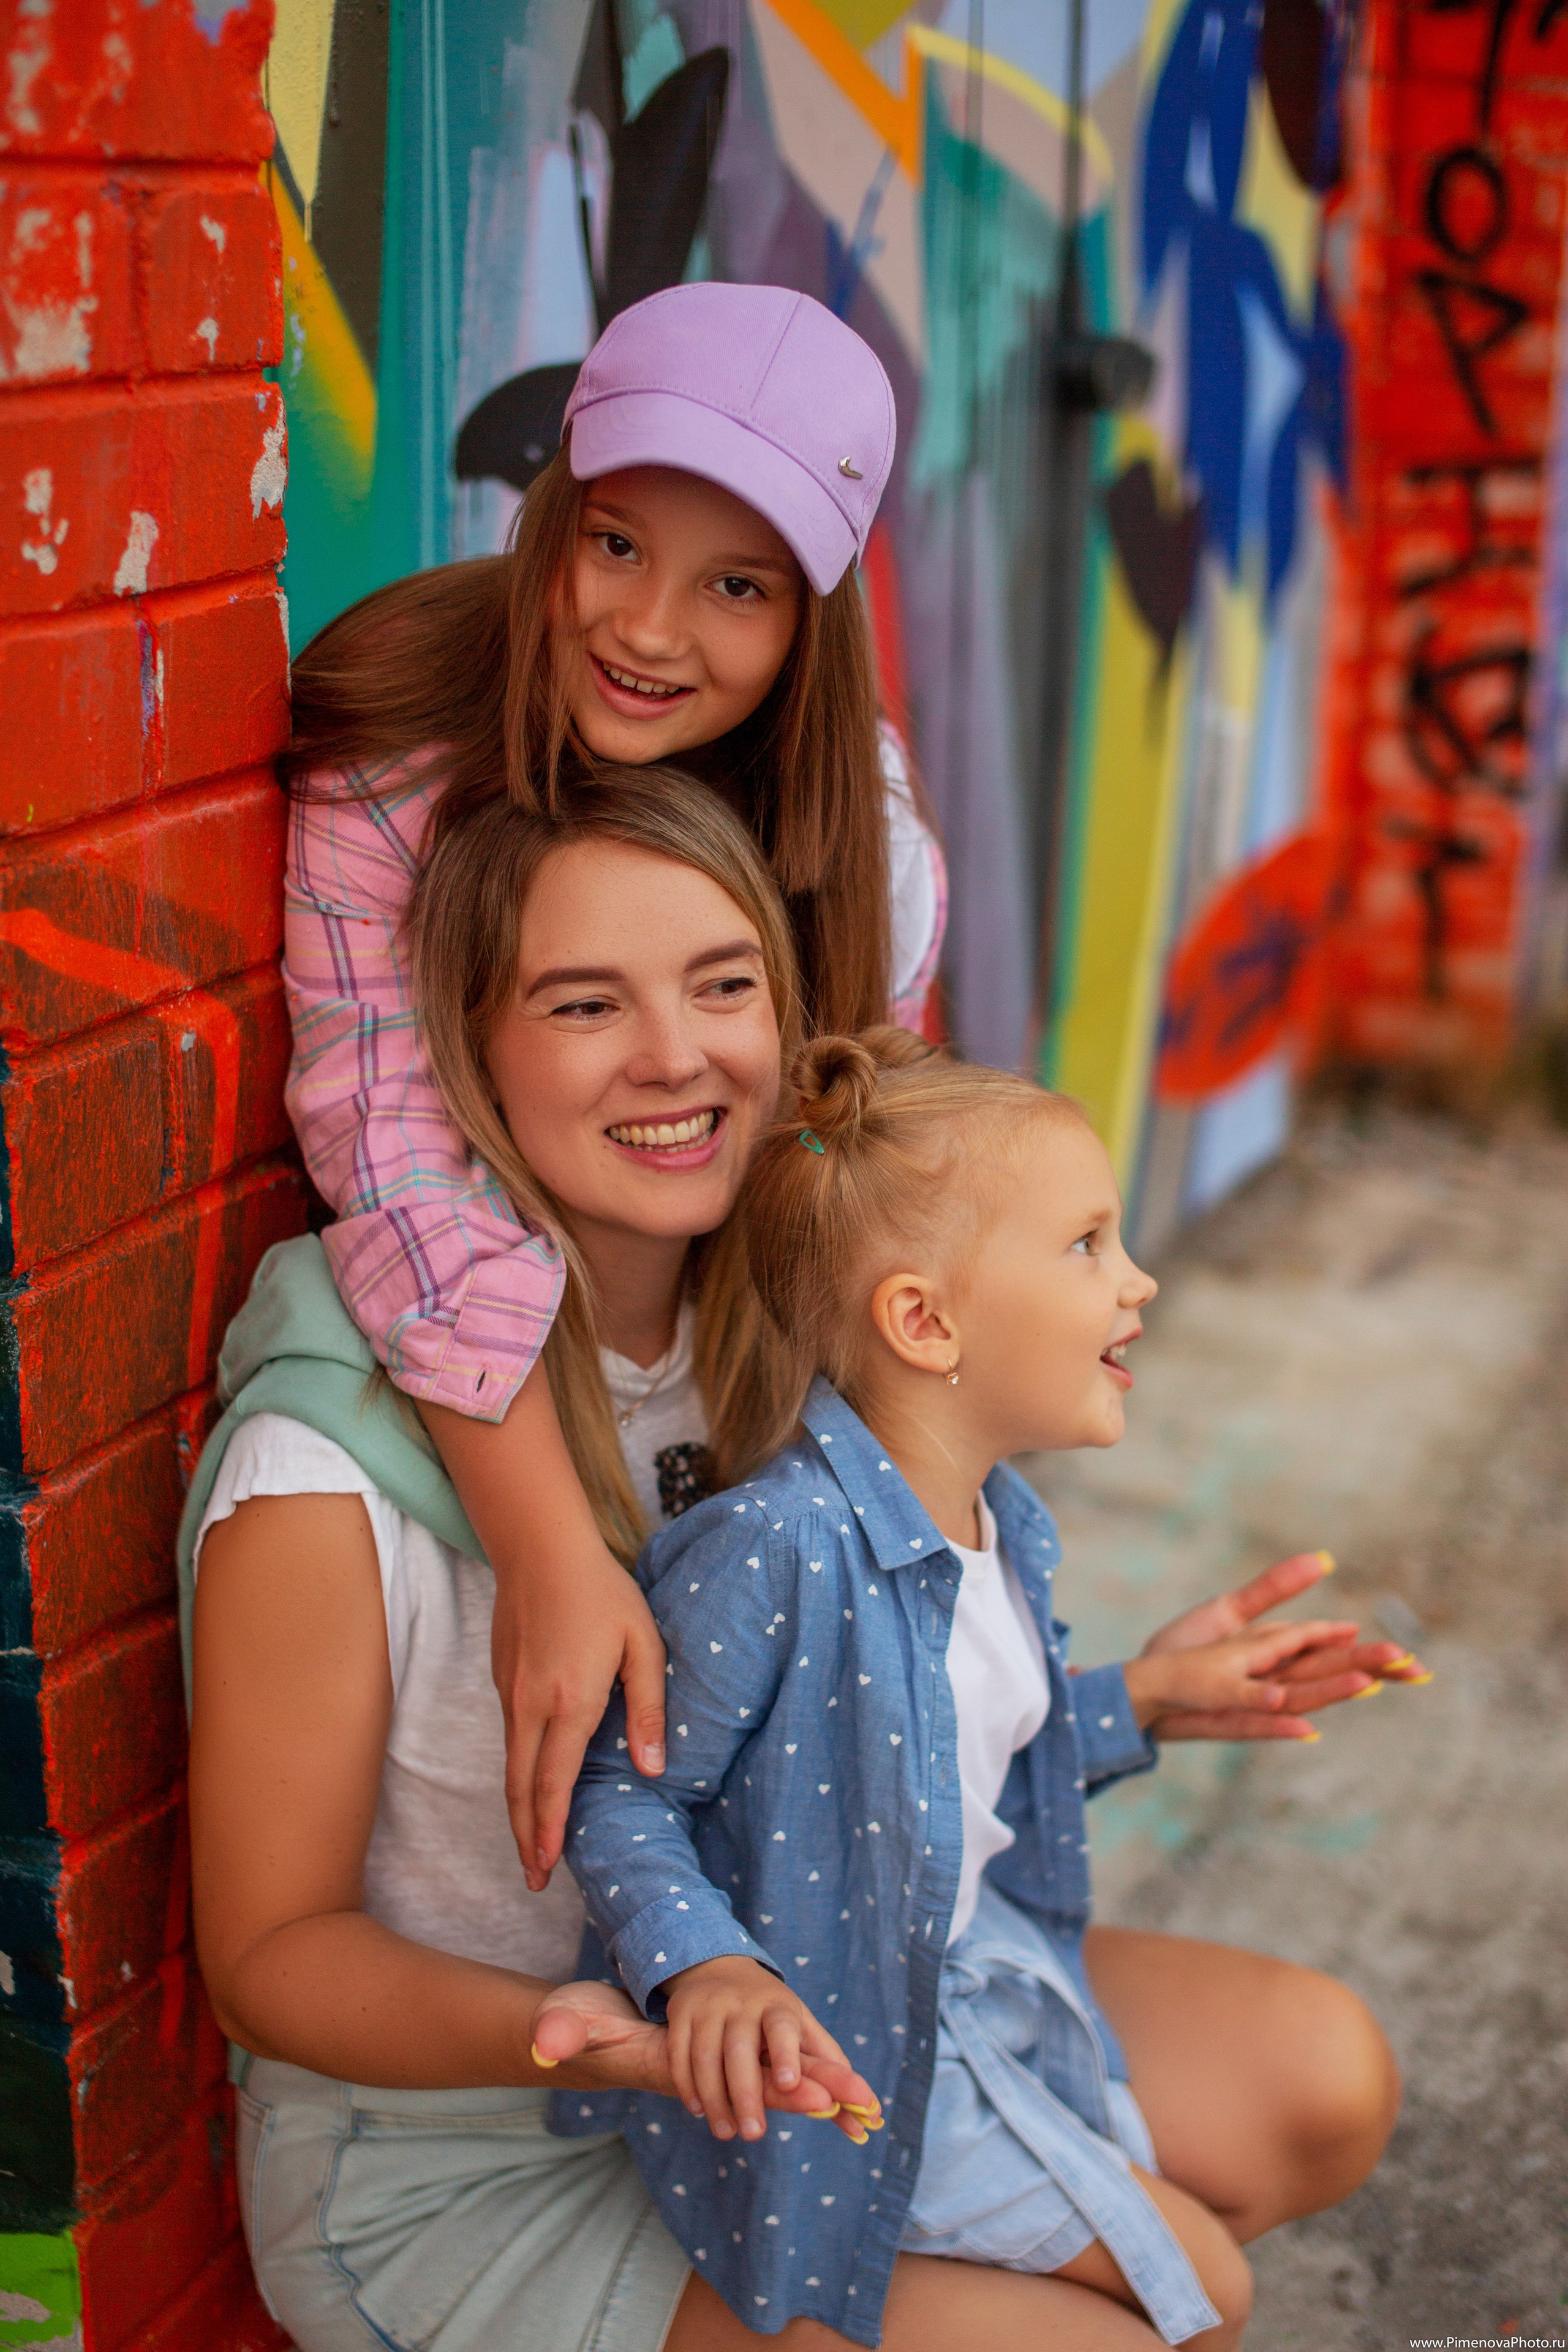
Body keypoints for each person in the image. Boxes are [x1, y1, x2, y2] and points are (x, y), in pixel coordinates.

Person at [565, 1031, 1422, 2349]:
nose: (1134, 1280)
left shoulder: (998, 1521)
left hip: (962, 1978)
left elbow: (934, 1766)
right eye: (1085, 1244)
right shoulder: (776, 1548)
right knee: (1203, 2296)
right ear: (924, 1320)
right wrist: (707, 1969)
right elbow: (621, 1789)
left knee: (1193, 2280)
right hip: (842, 2032)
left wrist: (1135, 1698)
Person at [184, 775, 891, 2352]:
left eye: (723, 985)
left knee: (1263, 2151)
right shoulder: (321, 1463)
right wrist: (568, 2031)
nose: (675, 1054)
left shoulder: (778, 1334)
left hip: (745, 2064)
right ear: (461, 1059)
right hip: (452, 2156)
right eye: (585, 1003)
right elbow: (269, 1960)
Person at [282, 282, 943, 1898]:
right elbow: (398, 1170)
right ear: (556, 511)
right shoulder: (396, 772)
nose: (651, 632)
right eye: (620, 544)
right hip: (493, 1408)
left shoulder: (863, 837)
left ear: (811, 619)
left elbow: (875, 1181)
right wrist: (548, 1551)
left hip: (731, 1390)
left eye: (738, 585)